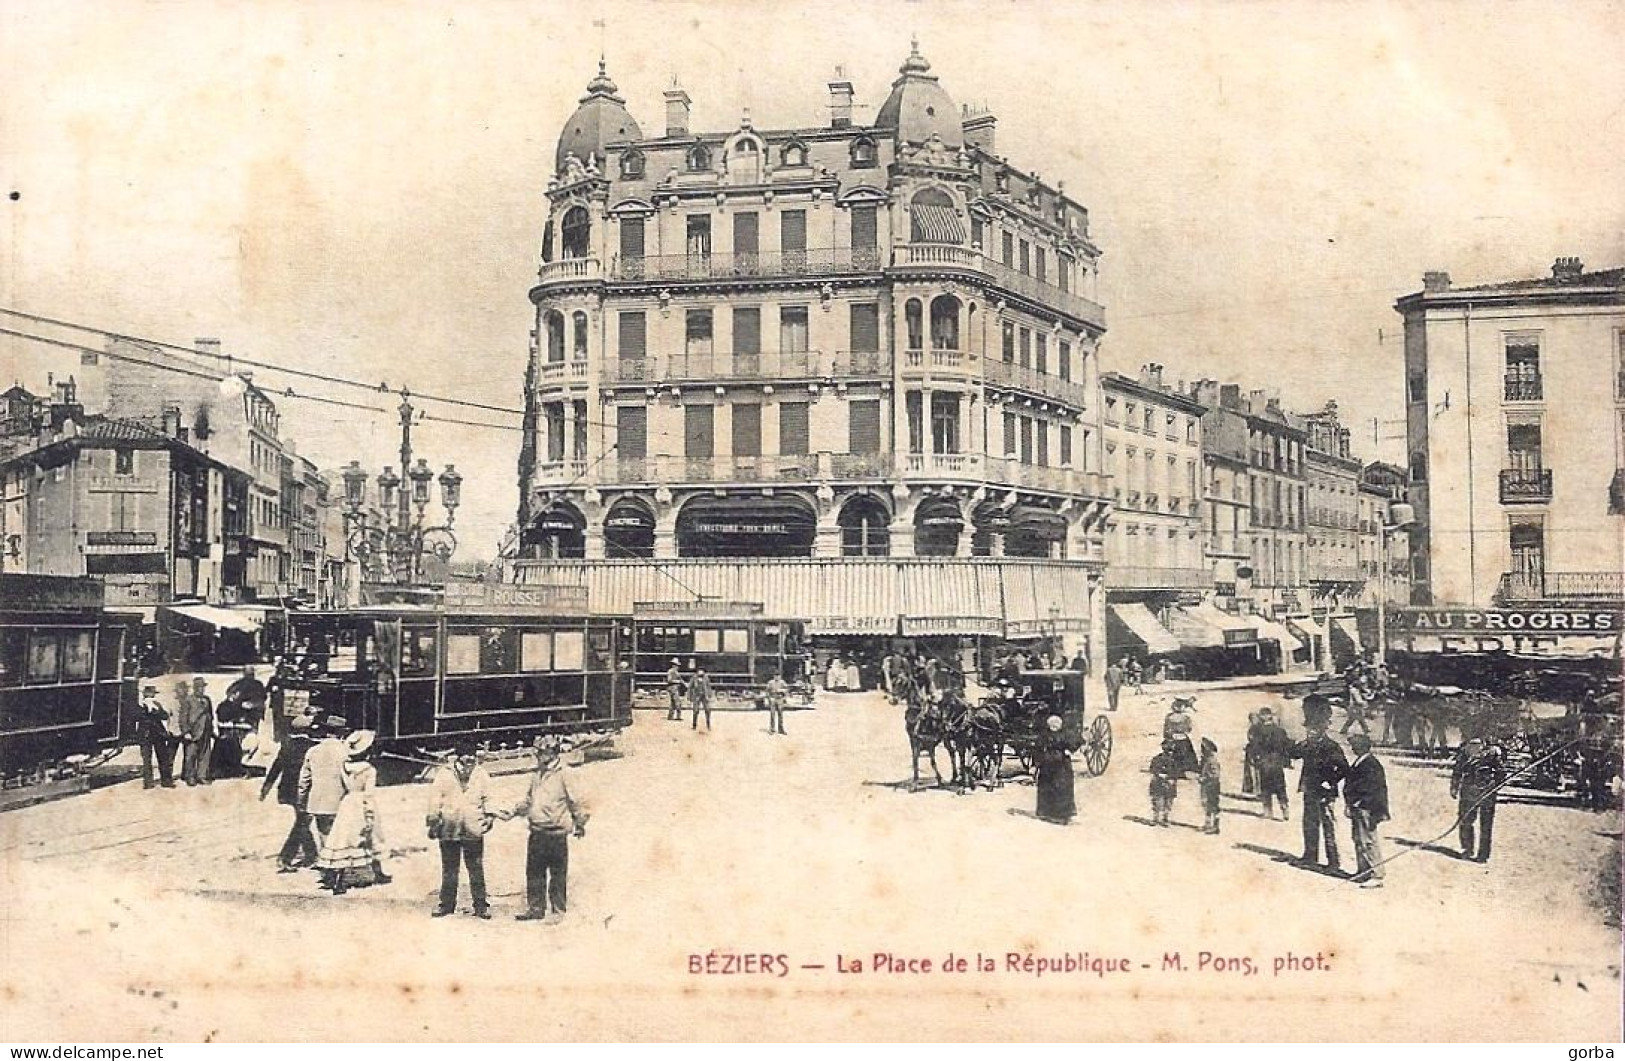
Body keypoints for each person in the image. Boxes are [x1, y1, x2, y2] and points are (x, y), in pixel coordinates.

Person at [510, 740, 588, 922]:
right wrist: (515, 810)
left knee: (557, 874)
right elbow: (529, 799)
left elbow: (576, 801)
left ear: (552, 753)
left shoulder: (565, 773)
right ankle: (535, 909)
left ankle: (557, 911)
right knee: (534, 872)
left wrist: (580, 823)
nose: (537, 756)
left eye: (540, 753)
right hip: (537, 831)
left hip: (556, 833)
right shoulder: (537, 773)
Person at [314, 730, 390, 895]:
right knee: (371, 837)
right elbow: (368, 794)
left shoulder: (344, 766)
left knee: (343, 839)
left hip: (347, 803)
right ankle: (378, 873)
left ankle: (339, 879)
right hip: (361, 803)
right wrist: (369, 814)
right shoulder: (369, 770)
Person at [426, 750, 495, 918]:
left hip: (472, 827)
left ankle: (481, 906)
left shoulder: (481, 774)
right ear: (458, 757)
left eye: (473, 755)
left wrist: (490, 816)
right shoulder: (444, 774)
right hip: (450, 827)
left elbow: (489, 798)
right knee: (450, 868)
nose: (471, 758)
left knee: (476, 867)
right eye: (466, 755)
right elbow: (435, 798)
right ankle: (446, 905)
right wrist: (433, 819)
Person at [1290, 697, 1348, 873]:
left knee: (1328, 826)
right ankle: (1310, 856)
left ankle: (1333, 862)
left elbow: (1344, 769)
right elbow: (1293, 754)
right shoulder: (1308, 745)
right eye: (1308, 730)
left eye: (1312, 730)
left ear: (1321, 730)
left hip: (1325, 792)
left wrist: (1330, 782)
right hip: (1309, 789)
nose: (1309, 732)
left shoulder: (1332, 746)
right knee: (1309, 824)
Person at [260, 715, 318, 871]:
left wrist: (266, 788)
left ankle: (311, 855)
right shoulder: (311, 747)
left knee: (302, 819)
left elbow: (276, 767)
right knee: (302, 822)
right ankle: (285, 857)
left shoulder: (287, 745)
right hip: (304, 790)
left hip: (287, 790)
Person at [298, 717, 350, 854]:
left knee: (324, 836)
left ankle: (327, 866)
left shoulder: (312, 751)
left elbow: (304, 781)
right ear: (341, 733)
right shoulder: (345, 752)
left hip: (318, 802)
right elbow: (349, 779)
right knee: (340, 836)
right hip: (340, 802)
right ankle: (337, 868)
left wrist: (301, 801)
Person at [1344, 734, 1389, 888]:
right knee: (1358, 839)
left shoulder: (1371, 764)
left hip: (1367, 808)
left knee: (1368, 841)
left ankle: (1377, 874)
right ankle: (1363, 871)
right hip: (1357, 807)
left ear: (1363, 747)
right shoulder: (1359, 762)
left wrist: (1359, 802)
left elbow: (1374, 789)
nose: (1352, 748)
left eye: (1355, 745)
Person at [1450, 737, 1505, 863]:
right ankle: (1468, 849)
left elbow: (1501, 772)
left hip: (1486, 791)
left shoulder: (1492, 752)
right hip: (1470, 790)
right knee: (1466, 820)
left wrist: (1496, 786)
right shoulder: (1465, 751)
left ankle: (1483, 854)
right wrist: (1454, 787)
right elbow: (1457, 770)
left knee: (1485, 824)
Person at [1032, 715, 1076, 825]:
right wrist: (1036, 763)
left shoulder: (1065, 734)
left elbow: (1076, 742)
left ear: (1060, 726)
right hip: (1047, 764)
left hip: (1062, 764)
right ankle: (1046, 812)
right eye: (1052, 725)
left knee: (1062, 786)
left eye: (1056, 725)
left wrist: (1070, 750)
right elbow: (1037, 748)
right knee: (1046, 785)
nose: (1054, 727)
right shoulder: (1044, 735)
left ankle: (1062, 814)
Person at [1252, 707, 1292, 821]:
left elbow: (1255, 747)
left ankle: (1267, 810)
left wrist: (1255, 758)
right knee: (1280, 786)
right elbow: (1286, 747)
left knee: (1265, 787)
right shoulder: (1280, 730)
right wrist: (1286, 761)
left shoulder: (1257, 731)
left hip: (1265, 762)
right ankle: (1284, 808)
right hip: (1277, 762)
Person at [135, 685, 177, 789]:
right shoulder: (140, 706)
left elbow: (165, 716)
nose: (151, 696)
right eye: (150, 695)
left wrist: (156, 710)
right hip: (146, 735)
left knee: (162, 758)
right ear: (145, 695)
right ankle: (149, 782)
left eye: (152, 695)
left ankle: (165, 781)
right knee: (147, 759)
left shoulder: (156, 704)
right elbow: (136, 717)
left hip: (157, 735)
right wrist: (148, 710)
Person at [177, 680, 212, 786]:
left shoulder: (207, 700)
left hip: (205, 731)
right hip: (193, 732)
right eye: (199, 687)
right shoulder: (188, 700)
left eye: (203, 687)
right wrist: (186, 732)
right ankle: (190, 776)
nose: (201, 690)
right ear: (195, 688)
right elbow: (183, 718)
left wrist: (211, 729)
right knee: (191, 755)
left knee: (205, 754)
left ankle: (202, 776)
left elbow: (210, 715)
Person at [1162, 697, 1199, 776]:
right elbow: (1189, 728)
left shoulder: (1168, 717)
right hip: (1183, 738)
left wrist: (1167, 736)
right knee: (1187, 753)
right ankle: (1187, 768)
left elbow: (1166, 729)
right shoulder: (1186, 718)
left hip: (1172, 738)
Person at [1148, 739, 1180, 826]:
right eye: (1168, 750)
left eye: (1171, 750)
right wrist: (1159, 775)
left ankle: (1165, 819)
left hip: (1169, 784)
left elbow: (1177, 772)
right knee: (1157, 802)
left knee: (1168, 802)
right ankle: (1155, 818)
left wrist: (1172, 779)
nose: (1170, 753)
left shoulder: (1175, 761)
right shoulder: (1157, 759)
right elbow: (1152, 769)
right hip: (1158, 783)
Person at [1198, 737, 1222, 834]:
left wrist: (1204, 778)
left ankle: (1215, 827)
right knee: (1206, 805)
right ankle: (1208, 824)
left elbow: (1215, 774)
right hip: (1206, 785)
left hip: (1212, 786)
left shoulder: (1212, 761)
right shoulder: (1206, 760)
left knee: (1213, 806)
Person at [688, 666, 714, 731]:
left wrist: (709, 695)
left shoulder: (706, 678)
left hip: (704, 696)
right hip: (696, 695)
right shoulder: (694, 677)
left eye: (702, 670)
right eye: (699, 670)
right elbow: (690, 687)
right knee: (695, 711)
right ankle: (694, 725)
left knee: (708, 710)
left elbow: (709, 687)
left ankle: (708, 725)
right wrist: (689, 697)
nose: (701, 672)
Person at [764, 672, 789, 736]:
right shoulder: (770, 683)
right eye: (775, 676)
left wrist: (782, 694)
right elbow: (767, 691)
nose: (777, 677)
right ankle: (772, 729)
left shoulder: (782, 682)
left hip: (780, 699)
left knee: (780, 714)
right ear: (774, 676)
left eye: (778, 676)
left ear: (780, 676)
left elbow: (786, 690)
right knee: (772, 714)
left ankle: (781, 729)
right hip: (773, 699)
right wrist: (769, 698)